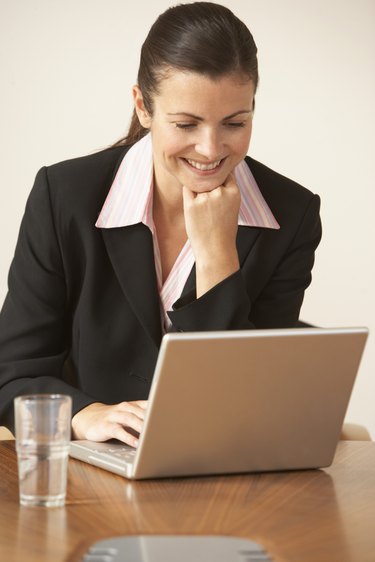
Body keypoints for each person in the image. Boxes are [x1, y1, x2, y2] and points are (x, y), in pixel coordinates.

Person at [0, 2, 321, 446]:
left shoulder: (291, 214)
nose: (210, 150)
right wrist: (83, 415)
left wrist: (217, 259)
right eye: (186, 123)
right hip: (94, 475)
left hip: (221, 470)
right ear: (143, 107)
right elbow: (13, 372)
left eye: (235, 122)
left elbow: (248, 397)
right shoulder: (65, 195)